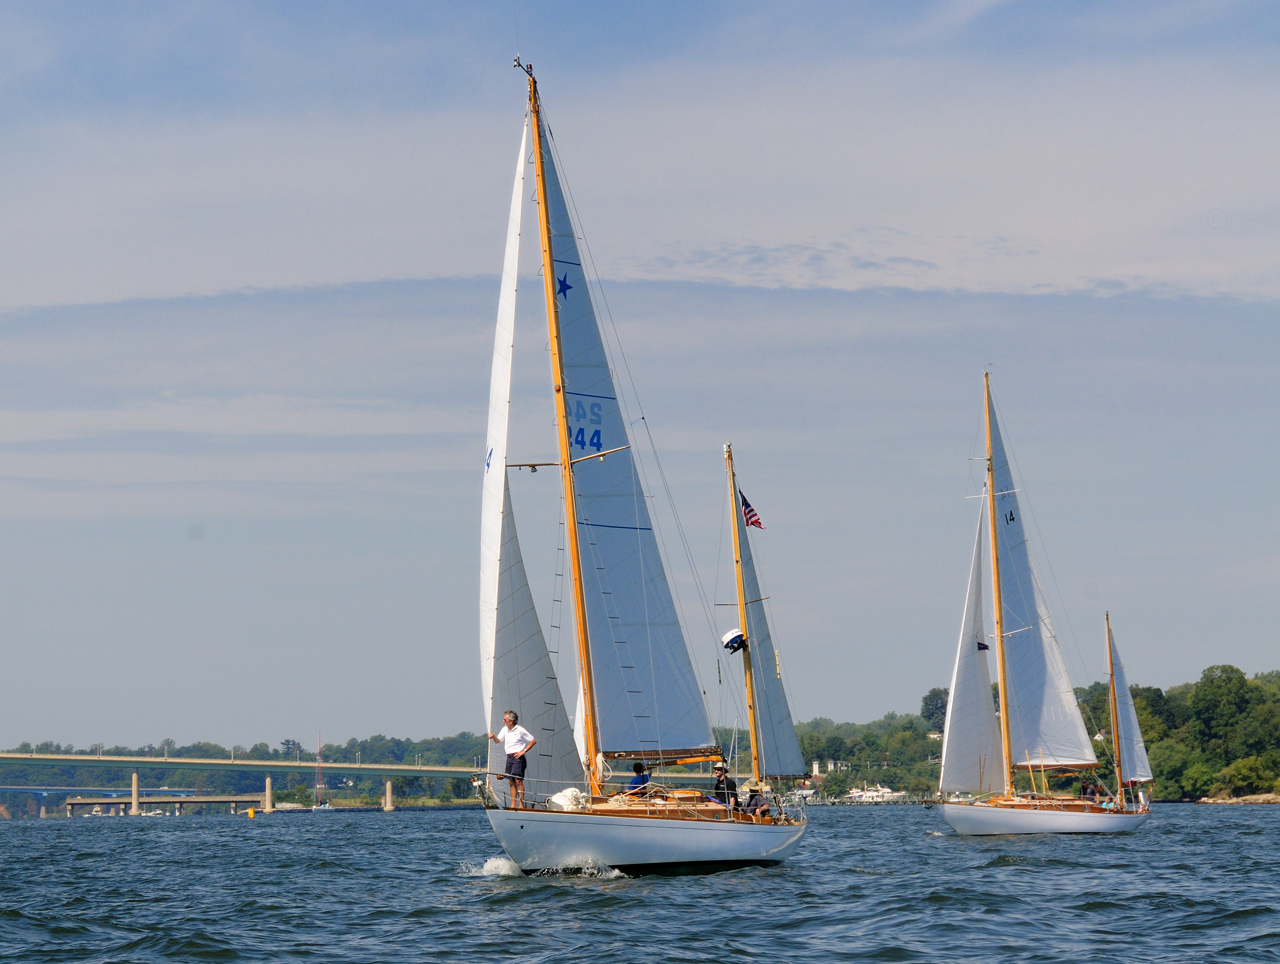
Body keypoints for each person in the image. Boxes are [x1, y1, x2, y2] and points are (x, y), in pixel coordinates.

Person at [487, 710, 536, 808]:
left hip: (517, 757)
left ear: (511, 721)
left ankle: (521, 805)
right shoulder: (505, 729)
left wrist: (523, 751)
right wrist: (493, 736)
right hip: (509, 757)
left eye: (505, 719)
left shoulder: (520, 730)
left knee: (518, 781)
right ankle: (513, 805)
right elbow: (498, 741)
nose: (503, 721)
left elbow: (533, 740)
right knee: (511, 781)